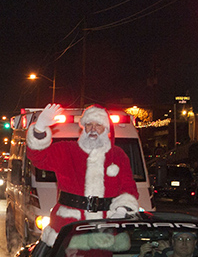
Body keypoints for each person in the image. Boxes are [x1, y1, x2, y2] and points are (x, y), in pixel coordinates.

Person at [26, 104, 139, 246]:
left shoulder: (118, 155)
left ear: (106, 129)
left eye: (98, 125)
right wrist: (40, 128)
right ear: (83, 127)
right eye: (89, 124)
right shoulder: (67, 150)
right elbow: (38, 157)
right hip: (68, 227)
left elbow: (128, 186)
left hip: (105, 229)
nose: (93, 129)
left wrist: (122, 210)